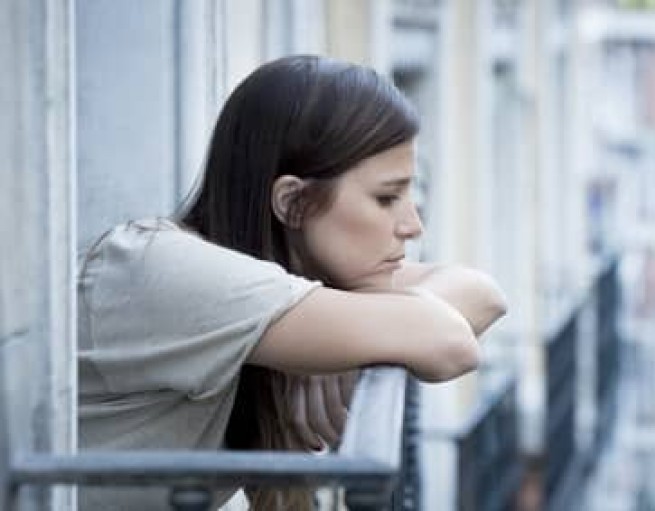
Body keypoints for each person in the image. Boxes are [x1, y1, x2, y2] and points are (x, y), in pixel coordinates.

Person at [77, 54, 507, 510]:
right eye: (386, 198)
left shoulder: (282, 286)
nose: (412, 225)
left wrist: (343, 320)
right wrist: (375, 325)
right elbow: (450, 342)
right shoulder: (163, 267)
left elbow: (484, 295)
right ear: (293, 202)